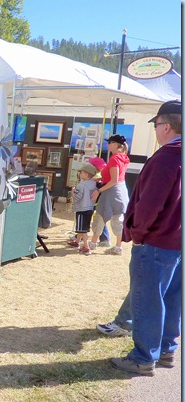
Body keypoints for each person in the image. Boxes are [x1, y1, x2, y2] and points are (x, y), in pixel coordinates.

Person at [110, 100, 181, 376]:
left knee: (149, 299)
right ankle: (166, 349)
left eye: (156, 126)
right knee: (172, 298)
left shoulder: (165, 157)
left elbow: (149, 205)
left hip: (157, 242)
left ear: (166, 127)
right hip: (176, 241)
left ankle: (143, 357)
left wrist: (137, 234)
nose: (156, 131)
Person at [88, 134, 130, 255]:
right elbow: (116, 177)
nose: (108, 145)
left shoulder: (115, 159)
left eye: (110, 143)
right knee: (117, 218)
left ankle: (93, 243)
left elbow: (114, 180)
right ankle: (117, 246)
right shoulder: (124, 157)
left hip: (111, 192)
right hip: (120, 190)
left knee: (101, 215)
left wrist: (99, 190)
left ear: (115, 144)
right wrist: (102, 179)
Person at [67, 163, 98, 255]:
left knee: (82, 229)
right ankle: (77, 242)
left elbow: (77, 198)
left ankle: (86, 247)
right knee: (84, 227)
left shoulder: (81, 185)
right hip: (90, 208)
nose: (80, 173)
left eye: (81, 172)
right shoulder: (94, 184)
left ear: (86, 174)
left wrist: (73, 192)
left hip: (81, 209)